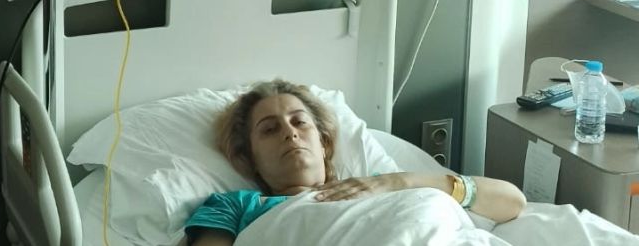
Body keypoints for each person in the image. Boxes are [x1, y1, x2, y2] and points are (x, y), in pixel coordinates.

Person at [185, 80, 527, 246]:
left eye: (299, 121)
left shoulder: (378, 186)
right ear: (250, 157)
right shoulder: (236, 206)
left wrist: (398, 181)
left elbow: (512, 202)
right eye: (270, 129)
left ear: (324, 142)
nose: (290, 133)